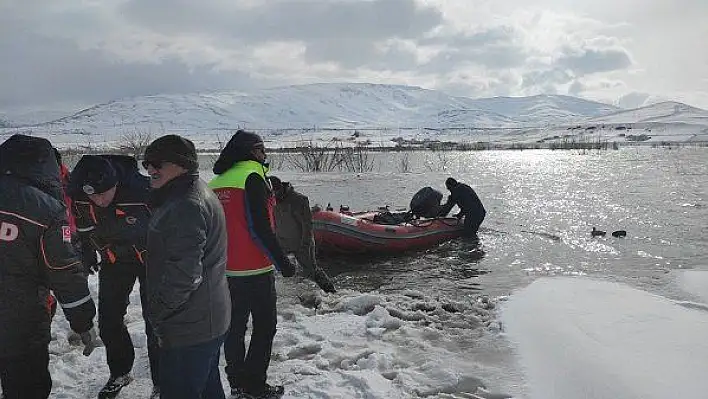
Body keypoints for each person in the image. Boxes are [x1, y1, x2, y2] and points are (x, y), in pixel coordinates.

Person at [0, 134, 98, 399]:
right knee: (26, 387)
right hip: (22, 324)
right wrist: (83, 321)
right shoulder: (46, 209)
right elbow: (64, 270)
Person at [209, 130, 296, 399]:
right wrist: (284, 263)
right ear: (252, 151)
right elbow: (260, 228)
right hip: (255, 270)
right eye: (262, 148)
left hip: (225, 271)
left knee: (233, 329)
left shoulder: (215, 181)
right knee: (264, 327)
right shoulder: (254, 177)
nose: (266, 153)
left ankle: (236, 383)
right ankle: (255, 385)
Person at [142, 134, 231, 399]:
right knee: (207, 390)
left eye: (157, 163)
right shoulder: (189, 193)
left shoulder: (184, 205)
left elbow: (185, 275)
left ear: (182, 165)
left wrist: (158, 313)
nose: (150, 169)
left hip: (189, 327)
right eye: (146, 163)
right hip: (206, 319)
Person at [67, 154, 159, 398]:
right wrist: (87, 254)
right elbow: (83, 230)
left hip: (151, 260)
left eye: (103, 194)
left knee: (156, 321)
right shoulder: (80, 196)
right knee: (109, 320)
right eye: (92, 196)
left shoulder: (142, 192)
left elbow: (168, 226)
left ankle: (162, 380)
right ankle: (120, 371)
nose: (98, 200)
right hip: (114, 259)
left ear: (116, 184)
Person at [268, 176, 336, 293]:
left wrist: (305, 245)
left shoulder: (299, 200)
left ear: (279, 189)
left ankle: (331, 292)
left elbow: (307, 225)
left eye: (274, 193)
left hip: (301, 243)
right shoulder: (271, 201)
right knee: (267, 269)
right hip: (281, 242)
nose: (272, 196)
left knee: (312, 271)